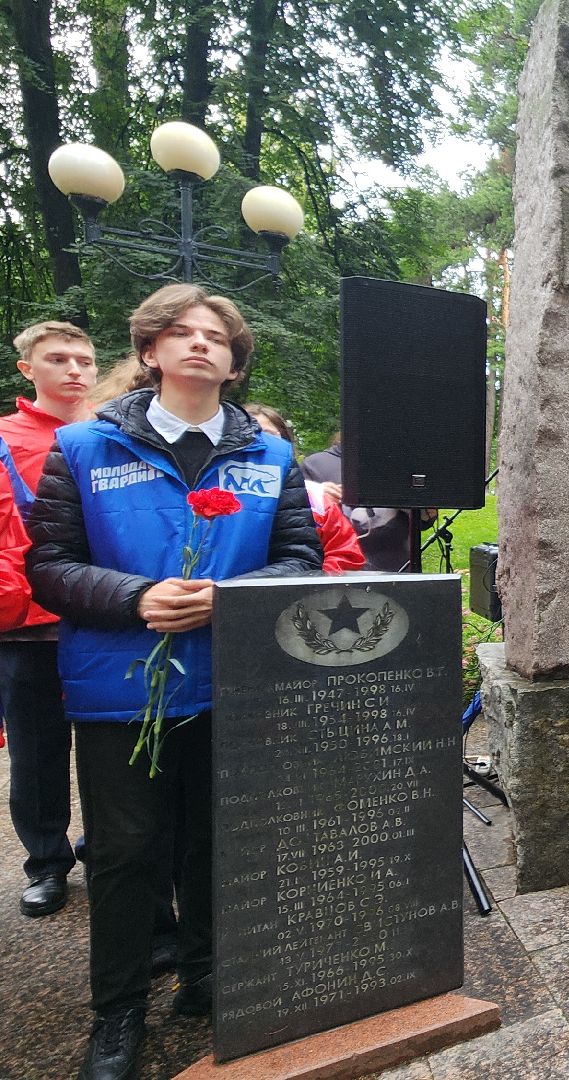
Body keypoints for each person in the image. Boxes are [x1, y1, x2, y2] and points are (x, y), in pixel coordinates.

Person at [26, 284, 323, 1080]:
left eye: (216, 337)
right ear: (150, 352)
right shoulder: (86, 447)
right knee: (126, 855)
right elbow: (48, 567)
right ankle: (117, 1015)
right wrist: (134, 596)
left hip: (235, 682)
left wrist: (231, 598)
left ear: (233, 362)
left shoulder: (270, 455)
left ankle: (208, 977)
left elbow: (301, 559)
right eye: (181, 333)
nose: (200, 344)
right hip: (122, 687)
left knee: (219, 842)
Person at [1, 320, 95, 919]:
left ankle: (111, 845)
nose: (75, 370)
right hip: (27, 620)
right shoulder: (4, 438)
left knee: (115, 743)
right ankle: (46, 862)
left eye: (84, 359)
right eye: (58, 359)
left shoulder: (114, 434)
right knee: (36, 749)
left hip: (104, 611)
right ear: (28, 370)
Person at [246, 405, 367, 573]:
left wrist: (312, 582)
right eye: (252, 435)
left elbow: (345, 554)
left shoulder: (317, 499)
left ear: (285, 441)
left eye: (269, 434)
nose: (261, 441)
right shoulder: (217, 494)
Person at [299, 436, 421, 572]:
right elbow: (297, 523)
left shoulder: (400, 461)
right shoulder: (314, 464)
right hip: (337, 574)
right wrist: (316, 496)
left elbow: (422, 521)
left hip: (399, 570)